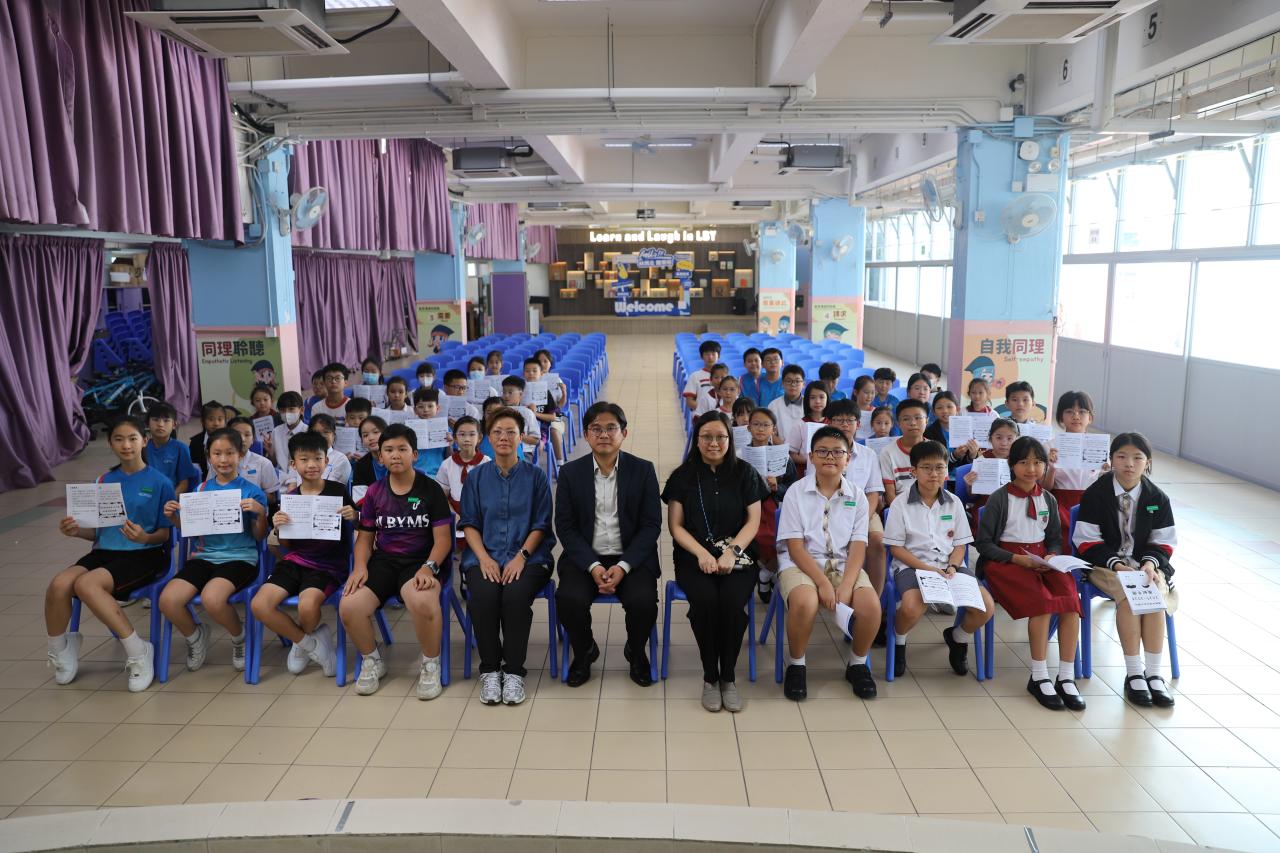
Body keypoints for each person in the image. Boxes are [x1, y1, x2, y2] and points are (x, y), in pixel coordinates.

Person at [45, 416, 175, 691]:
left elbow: (165, 535)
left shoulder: (161, 482)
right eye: (119, 439)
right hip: (104, 552)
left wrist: (144, 537)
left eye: (132, 438)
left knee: (87, 585)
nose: (126, 445)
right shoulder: (102, 481)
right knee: (59, 584)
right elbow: (97, 533)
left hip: (145, 553)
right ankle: (61, 648)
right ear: (110, 444)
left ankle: (139, 650)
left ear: (144, 441)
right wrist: (75, 531)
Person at [340, 424, 454, 698]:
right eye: (388, 450)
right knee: (349, 605)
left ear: (414, 454)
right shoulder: (375, 492)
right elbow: (365, 538)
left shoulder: (431, 489)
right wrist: (359, 567)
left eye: (402, 449)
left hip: (421, 562)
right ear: (380, 457)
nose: (395, 455)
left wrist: (429, 567)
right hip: (384, 562)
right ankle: (371, 660)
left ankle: (430, 663)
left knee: (423, 601)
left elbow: (443, 540)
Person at [662, 412, 765, 713]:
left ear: (730, 439)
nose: (714, 442)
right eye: (706, 436)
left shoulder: (745, 473)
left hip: (739, 553)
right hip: (693, 555)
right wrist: (702, 554)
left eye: (721, 436)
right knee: (706, 601)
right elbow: (676, 526)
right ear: (696, 440)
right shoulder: (682, 476)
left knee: (732, 602)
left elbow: (753, 521)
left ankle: (728, 677)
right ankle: (710, 676)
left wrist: (731, 552)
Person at [555, 402, 662, 687]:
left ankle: (636, 653)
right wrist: (592, 566)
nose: (604, 434)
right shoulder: (570, 473)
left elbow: (651, 525)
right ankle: (584, 651)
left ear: (624, 433)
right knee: (568, 599)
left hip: (631, 557)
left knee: (643, 601)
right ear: (586, 435)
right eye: (596, 429)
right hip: (585, 558)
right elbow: (565, 527)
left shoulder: (643, 470)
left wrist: (624, 566)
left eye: (611, 428)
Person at [975, 436, 1083, 711]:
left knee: (1071, 602)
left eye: (1037, 462)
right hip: (1006, 562)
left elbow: (1055, 538)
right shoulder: (1000, 498)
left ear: (1045, 466)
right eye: (1024, 462)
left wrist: (1051, 555)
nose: (1031, 469)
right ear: (1012, 465)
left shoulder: (1047, 498)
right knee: (1042, 604)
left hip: (1041, 560)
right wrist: (1018, 559)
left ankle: (1066, 676)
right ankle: (1039, 675)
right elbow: (984, 544)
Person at [1073, 432, 1178, 708]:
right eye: (1121, 456)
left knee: (1153, 597)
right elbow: (1086, 541)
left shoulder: (1157, 498)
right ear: (1111, 459)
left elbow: (1164, 542)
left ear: (1148, 462)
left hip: (1146, 565)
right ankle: (1134, 674)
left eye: (1137, 458)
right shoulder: (1096, 494)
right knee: (1130, 596)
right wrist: (1118, 565)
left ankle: (1153, 674)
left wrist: (1149, 564)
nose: (1129, 464)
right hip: (1106, 565)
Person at [459, 408, 557, 706]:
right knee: (483, 596)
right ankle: (490, 670)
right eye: (497, 432)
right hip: (483, 555)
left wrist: (521, 556)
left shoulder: (536, 476)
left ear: (521, 437)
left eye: (511, 432)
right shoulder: (476, 477)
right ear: (488, 438)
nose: (504, 437)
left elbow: (541, 523)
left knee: (515, 596)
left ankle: (513, 671)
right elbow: (469, 523)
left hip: (530, 557)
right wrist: (484, 558)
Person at [776, 426, 880, 700]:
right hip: (801, 563)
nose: (830, 457)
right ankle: (796, 665)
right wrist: (822, 582)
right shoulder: (796, 492)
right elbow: (795, 547)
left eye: (837, 452)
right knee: (805, 602)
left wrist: (846, 585)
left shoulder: (857, 496)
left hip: (844, 563)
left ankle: (857, 664)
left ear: (848, 458)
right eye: (822, 451)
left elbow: (858, 545)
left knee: (871, 607)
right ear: (811, 457)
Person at [160, 428, 269, 673]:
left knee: (212, 599)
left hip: (240, 558)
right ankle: (195, 636)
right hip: (204, 557)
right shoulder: (200, 490)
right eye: (217, 454)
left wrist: (261, 513)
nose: (223, 459)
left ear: (240, 454)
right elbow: (190, 530)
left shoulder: (251, 492)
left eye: (230, 453)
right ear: (208, 456)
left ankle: (239, 637)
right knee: (168, 600)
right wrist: (174, 517)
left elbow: (260, 536)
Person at [882, 440, 993, 677]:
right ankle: (899, 641)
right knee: (911, 608)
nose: (934, 474)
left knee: (985, 607)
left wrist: (953, 566)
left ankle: (957, 637)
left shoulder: (954, 502)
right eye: (927, 468)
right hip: (912, 566)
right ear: (914, 471)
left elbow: (960, 545)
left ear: (946, 470)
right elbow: (896, 549)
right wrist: (927, 569)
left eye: (940, 467)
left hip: (949, 567)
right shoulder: (900, 504)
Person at [251, 432, 356, 678]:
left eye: (317, 458)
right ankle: (310, 644)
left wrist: (355, 516)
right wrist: (279, 528)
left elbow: (360, 525)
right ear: (293, 464)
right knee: (259, 605)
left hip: (328, 566)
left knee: (307, 606)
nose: (311, 465)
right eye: (304, 459)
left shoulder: (338, 491)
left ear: (326, 462)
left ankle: (300, 645)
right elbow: (286, 545)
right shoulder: (290, 498)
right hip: (294, 562)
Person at [824, 401, 887, 594]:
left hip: (864, 511)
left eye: (849, 420)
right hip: (829, 509)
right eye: (839, 420)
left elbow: (873, 493)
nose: (844, 424)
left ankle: (874, 598)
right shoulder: (820, 453)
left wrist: (861, 520)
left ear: (858, 424)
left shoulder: (868, 454)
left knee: (877, 540)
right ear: (829, 423)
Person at [744, 407, 798, 604]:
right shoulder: (740, 455)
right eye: (756, 424)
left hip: (775, 506)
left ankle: (766, 572)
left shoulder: (783, 456)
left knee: (783, 540)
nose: (760, 429)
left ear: (773, 429)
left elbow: (792, 486)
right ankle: (765, 572)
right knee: (755, 539)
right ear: (748, 427)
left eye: (766, 425)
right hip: (748, 508)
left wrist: (777, 487)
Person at [1043, 390, 1103, 530]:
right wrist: (1052, 468)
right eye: (1069, 411)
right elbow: (1045, 488)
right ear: (1061, 416)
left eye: (1082, 412)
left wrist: (1106, 472)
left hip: (1091, 503)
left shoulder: (1099, 446)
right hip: (1059, 504)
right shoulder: (1049, 447)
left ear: (1090, 417)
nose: (1076, 416)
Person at [434, 415, 489, 561]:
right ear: (455, 438)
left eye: (471, 434)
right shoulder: (447, 464)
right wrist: (453, 513)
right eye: (462, 434)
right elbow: (441, 496)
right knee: (451, 548)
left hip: (480, 513)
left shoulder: (487, 463)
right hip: (455, 512)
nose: (466, 439)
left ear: (479, 437)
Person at [962, 417, 1019, 524]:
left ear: (1017, 440)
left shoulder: (1020, 461)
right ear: (990, 439)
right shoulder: (982, 460)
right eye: (999, 438)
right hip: (986, 505)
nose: (1004, 443)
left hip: (1014, 506)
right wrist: (969, 485)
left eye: (1009, 438)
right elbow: (973, 496)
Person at [221, 417, 282, 504]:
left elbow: (272, 498)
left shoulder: (264, 463)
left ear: (253, 439)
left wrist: (253, 496)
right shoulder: (218, 463)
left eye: (247, 435)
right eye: (237, 434)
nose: (242, 439)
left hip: (255, 510)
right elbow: (209, 492)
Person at [880, 399, 929, 505]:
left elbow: (940, 488)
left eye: (918, 418)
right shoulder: (887, 452)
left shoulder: (936, 450)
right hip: (900, 506)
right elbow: (890, 495)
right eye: (906, 419)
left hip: (930, 505)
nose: (913, 423)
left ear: (927, 420)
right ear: (898, 423)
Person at [145, 401, 200, 495]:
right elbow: (139, 481)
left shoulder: (181, 448)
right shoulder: (141, 448)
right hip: (147, 495)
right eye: (155, 419)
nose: (160, 424)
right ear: (147, 424)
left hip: (172, 497)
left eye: (166, 420)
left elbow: (184, 484)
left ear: (174, 425)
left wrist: (168, 499)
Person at [925, 391, 979, 474]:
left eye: (949, 406)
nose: (945, 411)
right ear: (934, 411)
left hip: (964, 477)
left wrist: (972, 455)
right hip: (940, 477)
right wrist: (954, 456)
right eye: (939, 407)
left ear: (957, 409)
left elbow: (970, 465)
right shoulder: (929, 433)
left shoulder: (966, 429)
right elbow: (932, 465)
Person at [522, 358, 565, 462]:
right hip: (523, 427)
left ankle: (532, 467)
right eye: (527, 371)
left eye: (534, 371)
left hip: (541, 429)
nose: (531, 373)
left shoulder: (546, 392)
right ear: (523, 373)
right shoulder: (520, 391)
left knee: (538, 446)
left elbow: (552, 417)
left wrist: (535, 414)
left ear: (541, 373)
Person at [786, 381, 829, 469]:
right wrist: (812, 460)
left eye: (821, 397)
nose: (817, 401)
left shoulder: (832, 424)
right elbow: (792, 455)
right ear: (807, 400)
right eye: (812, 397)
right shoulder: (800, 425)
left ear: (827, 399)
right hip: (804, 472)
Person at [410, 388, 449, 477]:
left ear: (437, 408)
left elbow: (450, 458)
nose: (426, 410)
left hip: (438, 475)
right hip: (414, 474)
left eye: (430, 406)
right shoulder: (409, 429)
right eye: (421, 407)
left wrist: (449, 444)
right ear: (415, 410)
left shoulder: (446, 429)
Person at [351, 415, 388, 501]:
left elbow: (414, 498)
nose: (371, 438)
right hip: (373, 508)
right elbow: (359, 500)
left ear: (386, 434)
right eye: (365, 435)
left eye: (375, 432)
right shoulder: (360, 466)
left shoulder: (399, 460)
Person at [270, 392, 308, 473]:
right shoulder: (276, 431)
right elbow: (274, 463)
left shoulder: (308, 432)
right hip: (281, 476)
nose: (287, 413)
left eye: (291, 409)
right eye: (283, 410)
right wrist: (270, 451)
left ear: (301, 410)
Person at [499, 377, 542, 449]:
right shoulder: (499, 411)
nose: (506, 395)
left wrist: (517, 435)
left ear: (520, 394)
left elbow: (536, 440)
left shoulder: (527, 413)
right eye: (504, 392)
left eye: (510, 392)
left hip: (524, 451)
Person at [189, 400, 227, 480]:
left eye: (220, 419)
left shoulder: (231, 441)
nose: (216, 423)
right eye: (211, 419)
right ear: (203, 421)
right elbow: (194, 468)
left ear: (225, 421)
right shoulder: (195, 442)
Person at [768, 365, 807, 440]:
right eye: (789, 381)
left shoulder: (809, 404)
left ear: (803, 384)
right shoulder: (773, 406)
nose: (793, 385)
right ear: (782, 383)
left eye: (797, 381)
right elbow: (770, 433)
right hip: (780, 446)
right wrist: (783, 446)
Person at [683, 340, 722, 411]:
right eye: (707, 354)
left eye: (713, 354)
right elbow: (689, 401)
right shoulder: (695, 376)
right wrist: (704, 411)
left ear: (718, 356)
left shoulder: (725, 376)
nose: (710, 357)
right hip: (701, 414)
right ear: (701, 356)